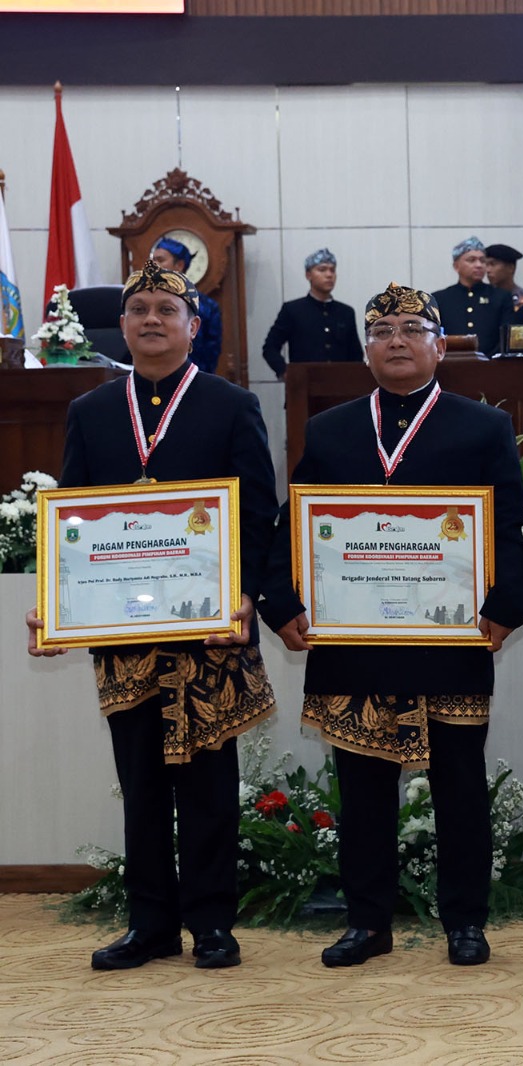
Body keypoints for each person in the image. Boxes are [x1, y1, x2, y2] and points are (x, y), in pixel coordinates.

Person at [260, 282, 523, 968]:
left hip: (450, 637)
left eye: (413, 328)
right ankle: (367, 922)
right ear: (366, 349)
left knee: (461, 788)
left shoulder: (481, 426)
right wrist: (282, 603)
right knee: (363, 790)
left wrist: (507, 607)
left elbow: (506, 526)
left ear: (440, 345)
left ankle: (465, 922)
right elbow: (295, 525)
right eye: (382, 329)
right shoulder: (330, 429)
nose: (397, 341)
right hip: (357, 643)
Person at [26, 259, 278, 971]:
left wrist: (248, 596)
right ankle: (150, 925)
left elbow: (258, 512)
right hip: (125, 630)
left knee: (207, 786)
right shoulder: (93, 411)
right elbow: (72, 522)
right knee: (139, 783)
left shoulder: (232, 405)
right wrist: (56, 606)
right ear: (124, 327)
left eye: (166, 312)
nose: (149, 321)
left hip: (207, 630)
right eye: (138, 310)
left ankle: (213, 924)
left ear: (193, 328)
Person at [260, 248, 363, 380]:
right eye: (322, 269)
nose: (329, 274)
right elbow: (270, 347)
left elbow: (356, 355)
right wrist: (285, 372)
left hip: (341, 389)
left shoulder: (346, 312)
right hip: (303, 389)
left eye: (332, 270)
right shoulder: (292, 310)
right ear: (308, 275)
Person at [149, 236, 225, 374]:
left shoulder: (206, 307)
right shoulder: (144, 303)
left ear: (179, 266)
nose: (153, 266)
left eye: (160, 260)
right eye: (152, 260)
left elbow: (211, 354)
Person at [432, 236, 515, 355]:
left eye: (482, 260)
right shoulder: (440, 299)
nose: (479, 265)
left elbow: (506, 337)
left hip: (491, 366)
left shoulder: (501, 297)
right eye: (471, 260)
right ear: (456, 266)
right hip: (450, 363)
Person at [484, 243, 523, 314]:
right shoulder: (483, 296)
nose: (488, 270)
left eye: (493, 264)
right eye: (486, 265)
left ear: (511, 268)